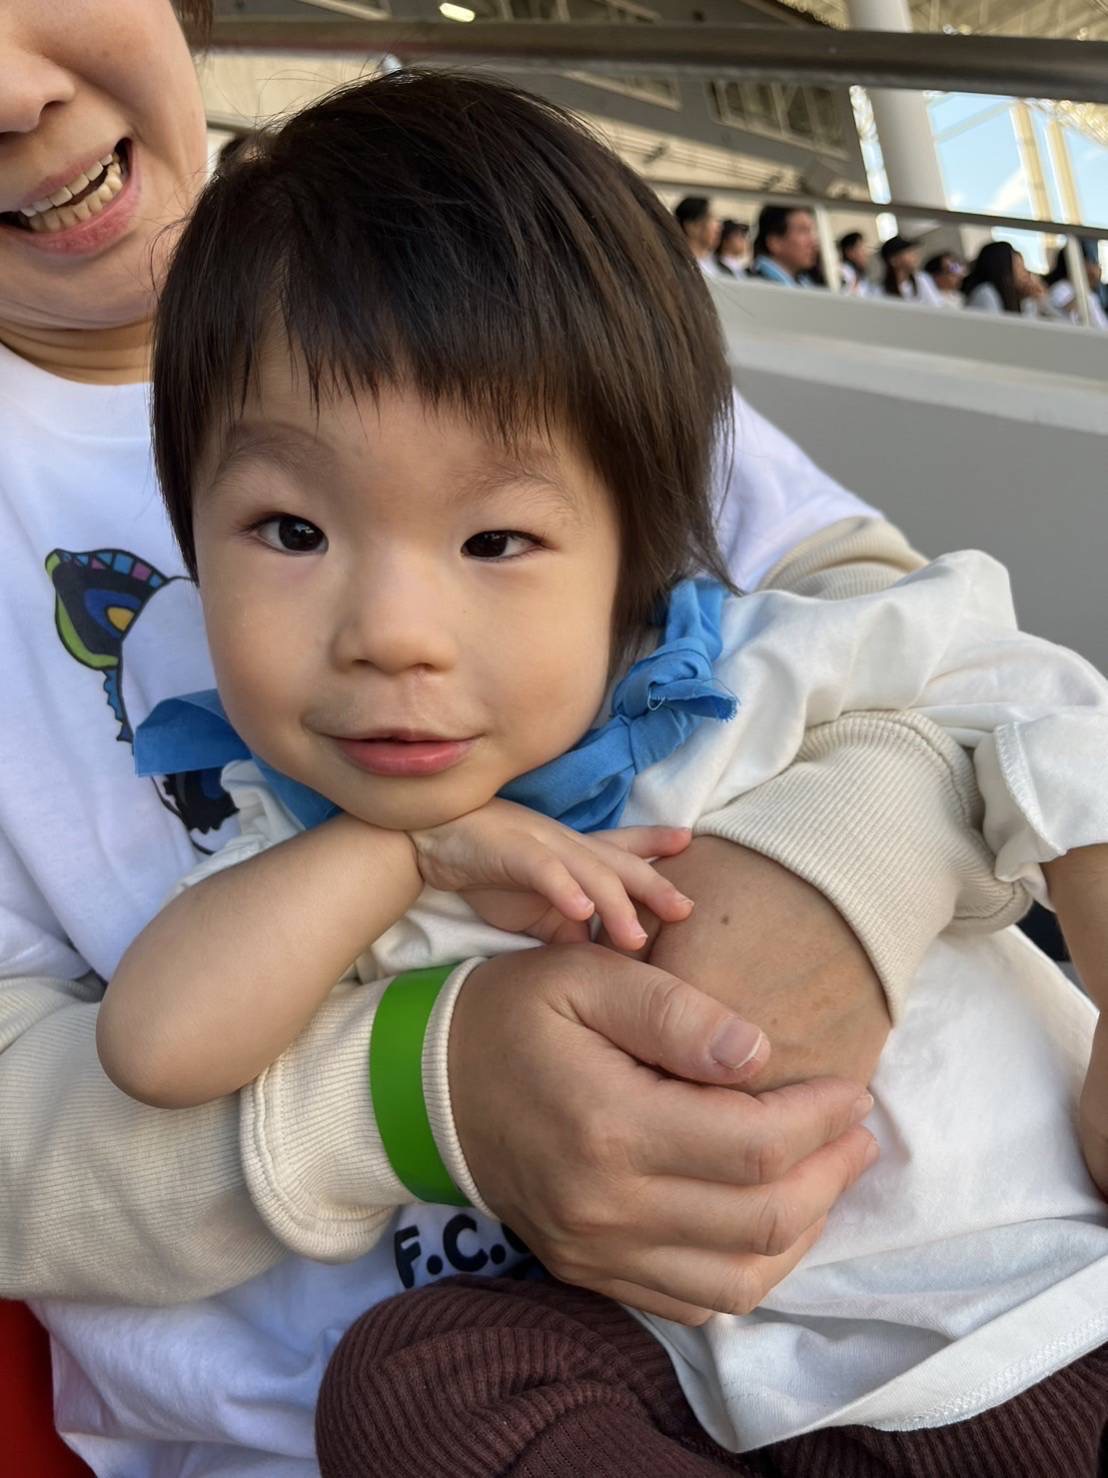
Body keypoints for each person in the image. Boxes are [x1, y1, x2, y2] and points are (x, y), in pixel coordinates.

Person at [0, 4, 1028, 1473]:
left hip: (914, 1302)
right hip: (380, 1418)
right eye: (286, 533)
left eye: (496, 539)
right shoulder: (286, 792)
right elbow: (148, 1046)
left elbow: (933, 648)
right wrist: (429, 1089)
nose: (392, 636)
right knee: (423, 1390)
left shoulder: (484, 270)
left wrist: (824, 873)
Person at [748, 205, 819, 287]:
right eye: (802, 231)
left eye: (811, 231)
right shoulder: (756, 286)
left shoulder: (803, 282)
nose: (813, 242)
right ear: (775, 243)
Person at [1044, 241, 1108, 329]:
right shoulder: (1061, 288)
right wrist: (1082, 291)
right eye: (1092, 262)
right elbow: (1062, 316)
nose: (1097, 267)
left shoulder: (1090, 294)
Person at [962, 240, 1036, 315]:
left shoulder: (1015, 298)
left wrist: (1029, 300)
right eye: (1019, 266)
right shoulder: (986, 293)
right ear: (1004, 269)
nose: (1025, 273)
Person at [880, 234, 945, 306]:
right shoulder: (881, 291)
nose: (915, 256)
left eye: (913, 252)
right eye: (908, 252)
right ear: (893, 260)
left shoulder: (921, 279)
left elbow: (937, 307)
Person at [674, 195, 725, 278]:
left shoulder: (722, 268)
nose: (719, 227)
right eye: (713, 219)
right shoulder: (674, 265)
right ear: (692, 226)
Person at [837, 230, 873, 296]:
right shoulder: (843, 272)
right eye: (862, 249)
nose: (866, 253)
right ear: (849, 252)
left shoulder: (861, 276)